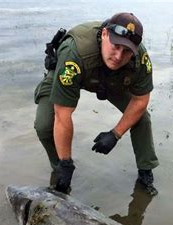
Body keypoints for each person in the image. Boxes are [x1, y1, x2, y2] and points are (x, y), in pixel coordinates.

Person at [33, 12, 159, 195]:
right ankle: (60, 168)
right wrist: (66, 162)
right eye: (116, 46)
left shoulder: (140, 58)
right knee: (44, 125)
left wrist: (115, 134)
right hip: (76, 70)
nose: (118, 55)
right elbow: (63, 114)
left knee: (141, 118)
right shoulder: (73, 53)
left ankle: (145, 171)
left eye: (126, 51)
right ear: (105, 34)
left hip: (114, 78)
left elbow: (140, 101)